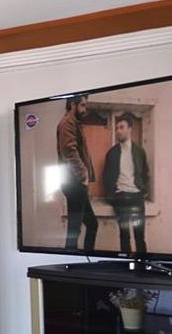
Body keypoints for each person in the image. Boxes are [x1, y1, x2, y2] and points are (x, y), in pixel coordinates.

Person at [102, 113, 150, 254]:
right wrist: (111, 196)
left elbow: (145, 172)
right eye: (117, 128)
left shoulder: (139, 151)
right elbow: (106, 176)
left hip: (137, 196)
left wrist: (144, 190)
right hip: (120, 196)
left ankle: (142, 264)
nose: (118, 131)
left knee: (139, 236)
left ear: (130, 129)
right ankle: (126, 263)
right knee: (124, 236)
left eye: (121, 127)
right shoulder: (112, 153)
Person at [56, 94, 98, 250]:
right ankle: (70, 260)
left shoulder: (74, 123)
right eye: (82, 105)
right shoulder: (68, 123)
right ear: (73, 105)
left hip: (75, 183)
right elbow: (69, 152)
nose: (85, 109)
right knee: (74, 231)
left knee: (91, 224)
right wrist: (83, 174)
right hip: (74, 183)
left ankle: (87, 258)